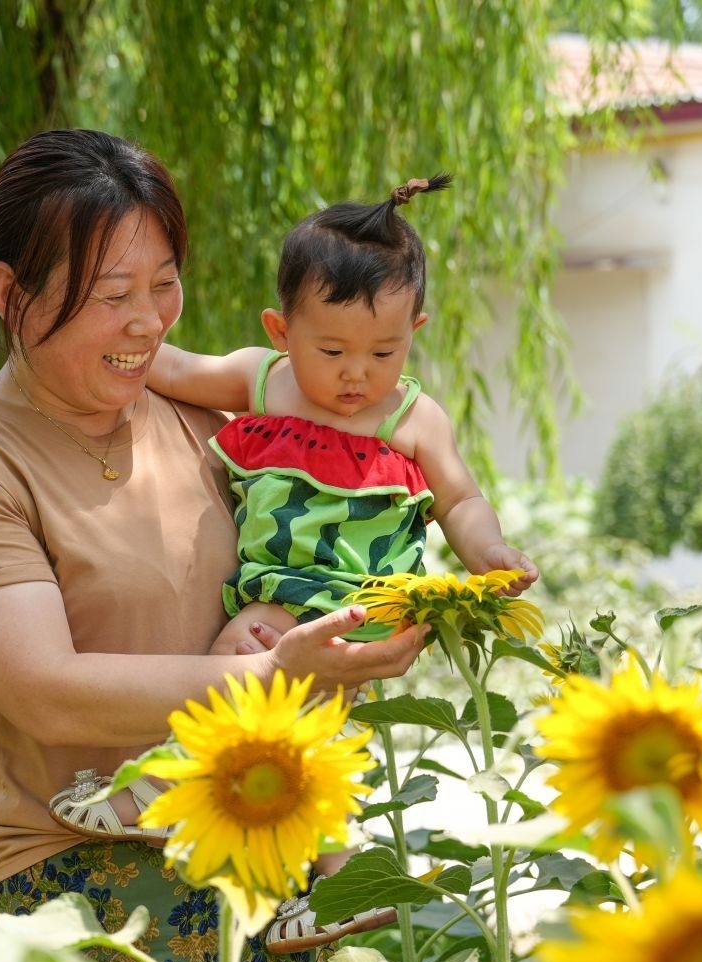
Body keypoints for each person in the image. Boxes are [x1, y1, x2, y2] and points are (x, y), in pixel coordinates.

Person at [0, 128, 423, 962]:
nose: (148, 323)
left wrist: (376, 617)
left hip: (265, 841)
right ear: (9, 292)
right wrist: (268, 674)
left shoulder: (211, 422)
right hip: (90, 889)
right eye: (109, 295)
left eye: (167, 285)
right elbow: (44, 687)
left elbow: (322, 538)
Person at [146, 173, 539, 660]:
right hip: (280, 598)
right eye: (331, 351)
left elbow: (459, 501)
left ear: (413, 332)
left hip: (375, 611)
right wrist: (120, 342)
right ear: (281, 332)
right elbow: (180, 368)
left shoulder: (413, 419)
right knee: (235, 663)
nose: (356, 374)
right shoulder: (263, 379)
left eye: (383, 353)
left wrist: (488, 552)